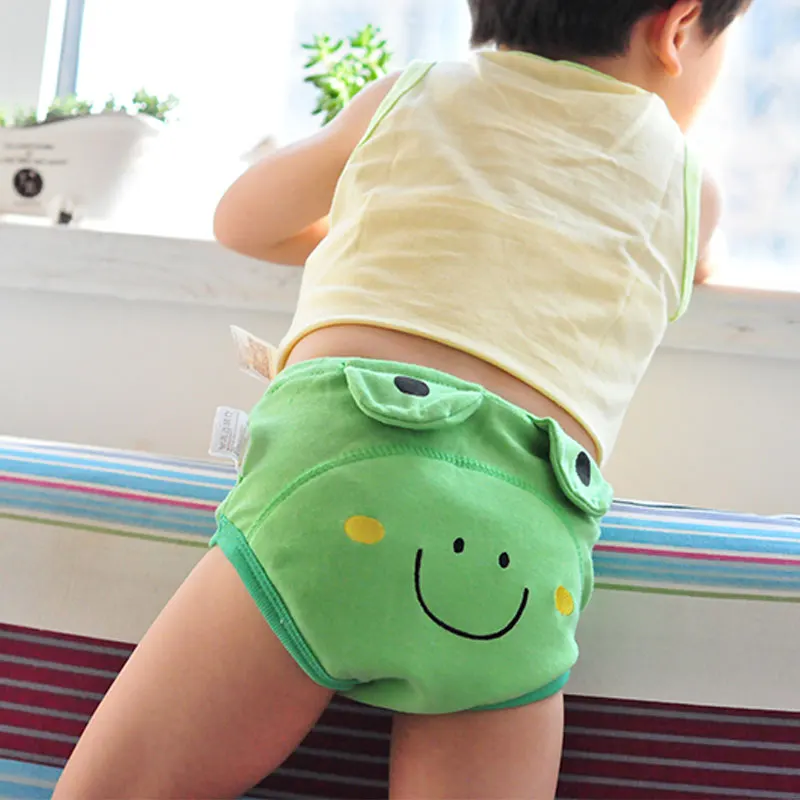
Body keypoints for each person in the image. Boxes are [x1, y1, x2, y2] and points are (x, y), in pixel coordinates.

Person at [54, 1, 750, 798]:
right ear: (678, 28)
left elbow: (242, 220)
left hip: (328, 493)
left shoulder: (414, 92)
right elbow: (697, 267)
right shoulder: (690, 187)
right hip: (521, 548)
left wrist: (371, 227)